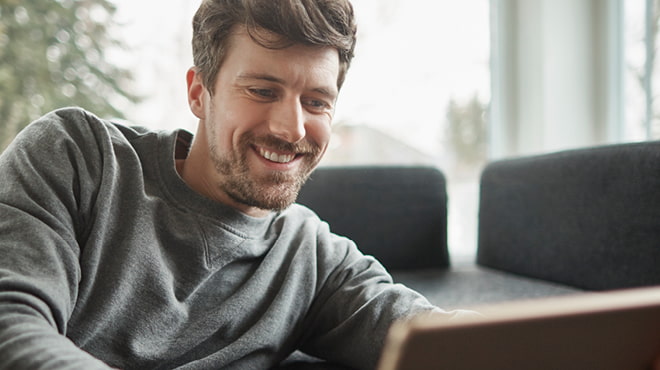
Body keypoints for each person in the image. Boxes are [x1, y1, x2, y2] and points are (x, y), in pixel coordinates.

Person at [0, 1, 466, 369]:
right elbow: (11, 324)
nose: (293, 129)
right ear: (199, 92)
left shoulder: (312, 260)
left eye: (317, 101)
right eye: (262, 91)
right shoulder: (77, 156)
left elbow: (434, 336)